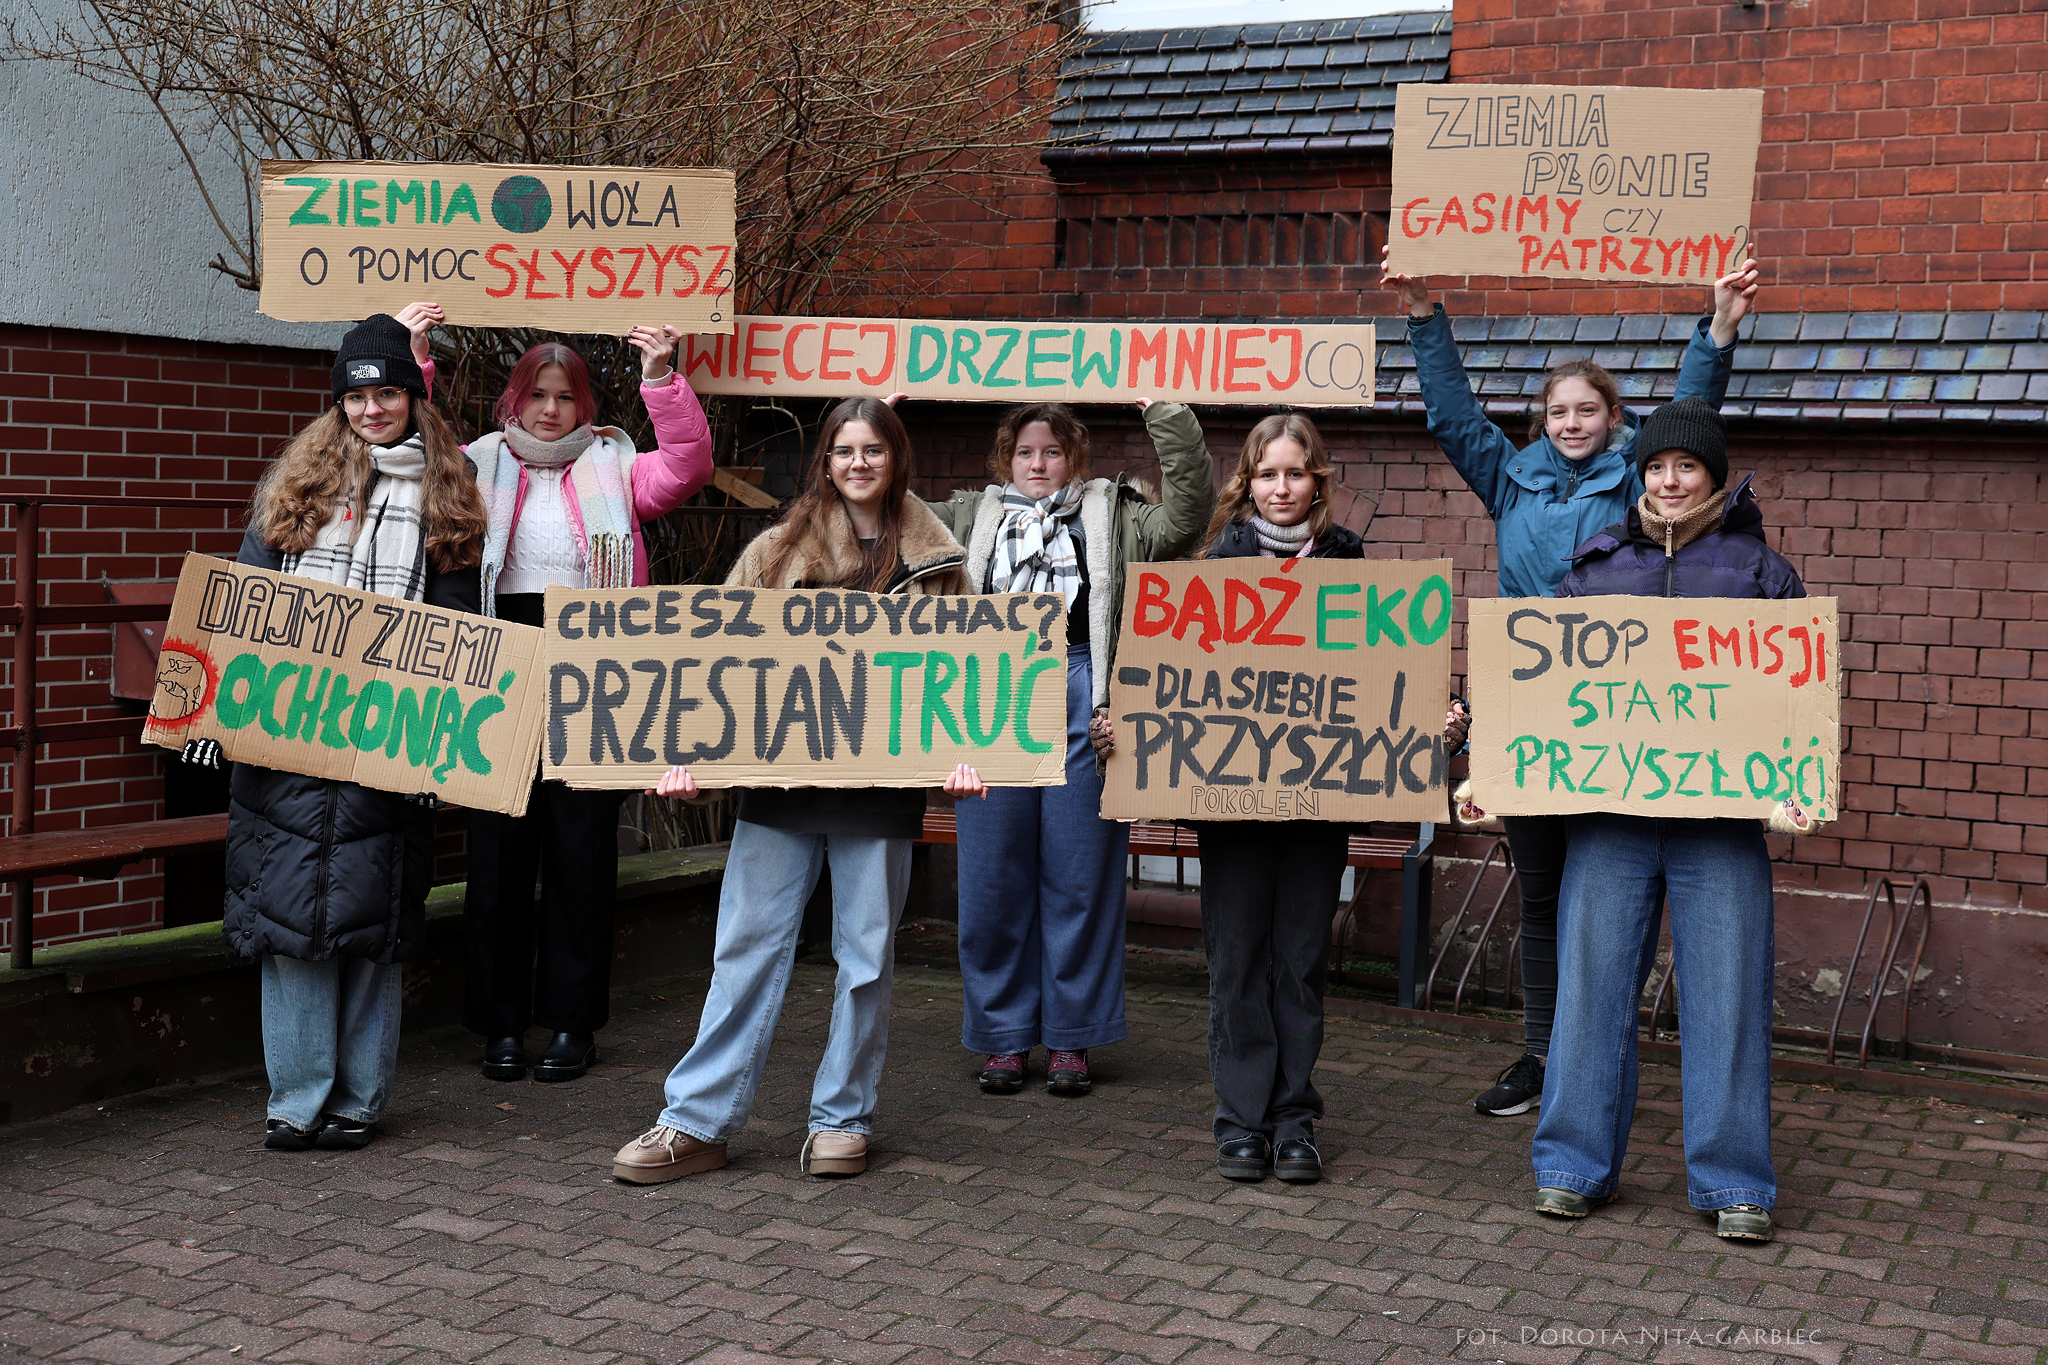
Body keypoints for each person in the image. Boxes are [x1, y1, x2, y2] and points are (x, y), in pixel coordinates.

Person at [1379, 246, 1760, 1118]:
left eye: (1588, 409)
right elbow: (1450, 414)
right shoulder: (1509, 480)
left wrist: (1720, 328)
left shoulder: (1636, 480)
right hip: (1530, 706)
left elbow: (1689, 422)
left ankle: (1597, 1066)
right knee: (1544, 889)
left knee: (1610, 887)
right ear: (1541, 419)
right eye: (1557, 410)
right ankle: (1544, 1058)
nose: (1571, 421)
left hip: (1617, 710)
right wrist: (1424, 310)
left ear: (1614, 417)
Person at [611, 398, 981, 1184]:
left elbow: (969, 677)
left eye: (872, 450)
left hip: (878, 789)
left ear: (895, 459)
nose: (858, 463)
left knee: (867, 959)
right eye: (844, 449)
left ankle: (841, 1118)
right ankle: (697, 1120)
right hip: (781, 787)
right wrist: (690, 755)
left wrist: (966, 753)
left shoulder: (942, 563)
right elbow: (714, 663)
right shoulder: (776, 552)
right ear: (826, 459)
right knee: (745, 948)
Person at [194, 310, 488, 1151]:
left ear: (411, 398)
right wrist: (220, 716)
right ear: (341, 403)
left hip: (387, 745)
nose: (372, 409)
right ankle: (296, 1100)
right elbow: (244, 607)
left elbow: (459, 632)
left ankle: (357, 1101)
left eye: (388, 392)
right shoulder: (298, 486)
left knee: (372, 927)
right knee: (291, 930)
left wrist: (440, 740)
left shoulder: (449, 495)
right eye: (358, 396)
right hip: (285, 749)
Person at [1530, 397, 1812, 1244]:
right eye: (1656, 465)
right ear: (1639, 473)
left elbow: (1800, 698)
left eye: (1687, 465)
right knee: (1589, 991)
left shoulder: (1762, 572)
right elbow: (1546, 692)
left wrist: (1799, 780)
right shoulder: (1595, 565)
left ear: (1715, 475)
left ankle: (1735, 1184)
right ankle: (1571, 1168)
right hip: (1611, 818)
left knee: (1728, 997)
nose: (1670, 479)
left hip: (1720, 824)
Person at [407, 309, 714, 1085]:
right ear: (515, 399)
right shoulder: (474, 462)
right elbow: (409, 455)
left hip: (593, 666)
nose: (551, 409)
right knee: (498, 856)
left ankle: (573, 1023)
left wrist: (661, 380)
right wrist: (417, 360)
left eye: (566, 396)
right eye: (538, 394)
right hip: (501, 664)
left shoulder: (617, 463)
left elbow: (688, 463)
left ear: (586, 406)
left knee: (582, 854)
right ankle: (501, 1025)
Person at [924, 399, 1216, 1097]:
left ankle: (1071, 1039)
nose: (1038, 464)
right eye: (1025, 452)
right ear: (1006, 458)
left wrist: (1168, 419)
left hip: (1087, 697)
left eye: (1052, 451)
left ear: (1073, 457)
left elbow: (1190, 515)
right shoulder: (970, 516)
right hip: (991, 698)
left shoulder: (1113, 512)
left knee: (1080, 877)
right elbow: (883, 510)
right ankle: (1002, 1037)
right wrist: (882, 421)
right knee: (992, 877)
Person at [1190, 414, 1362, 1184]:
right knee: (1237, 957)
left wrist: (1439, 719)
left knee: (1299, 957)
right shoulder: (1209, 567)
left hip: (1317, 799)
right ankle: (1240, 1119)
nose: (1282, 488)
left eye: (1295, 474)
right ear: (1247, 482)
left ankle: (1294, 1117)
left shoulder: (1352, 562)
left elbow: (1378, 674)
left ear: (1315, 482)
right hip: (1231, 798)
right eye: (1268, 474)